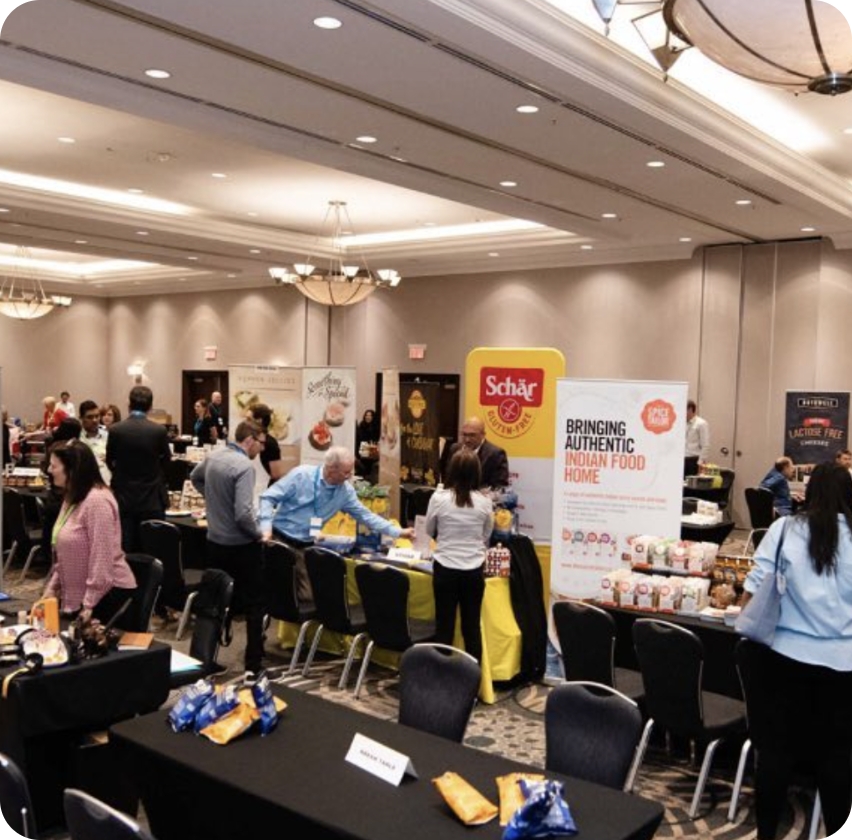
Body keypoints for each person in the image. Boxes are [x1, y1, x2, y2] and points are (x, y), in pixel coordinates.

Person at [741, 463, 852, 839]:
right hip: (843, 666)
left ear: (809, 492)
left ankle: (766, 834)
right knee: (836, 762)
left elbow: (754, 588)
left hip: (783, 660)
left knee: (774, 757)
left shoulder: (784, 529)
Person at [259, 446, 415, 599]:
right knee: (277, 590)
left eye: (351, 471)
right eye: (346, 472)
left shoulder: (345, 492)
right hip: (279, 539)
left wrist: (399, 532)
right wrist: (266, 528)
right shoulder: (302, 475)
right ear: (330, 469)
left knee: (307, 596)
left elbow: (366, 516)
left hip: (305, 546)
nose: (350, 476)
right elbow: (267, 497)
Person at [190, 420, 266, 677]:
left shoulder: (215, 456)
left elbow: (194, 477)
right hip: (241, 546)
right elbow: (243, 514)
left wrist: (213, 500)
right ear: (250, 440)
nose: (261, 449)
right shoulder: (244, 466)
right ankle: (254, 665)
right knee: (255, 605)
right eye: (261, 443)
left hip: (214, 542)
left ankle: (205, 658)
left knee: (213, 601)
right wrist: (259, 534)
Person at [42, 441, 136, 622]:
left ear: (72, 469)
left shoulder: (97, 501)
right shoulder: (73, 496)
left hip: (105, 597)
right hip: (82, 597)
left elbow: (101, 557)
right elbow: (64, 554)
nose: (49, 470)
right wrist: (53, 587)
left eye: (54, 466)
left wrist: (89, 603)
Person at [425, 448, 493, 662]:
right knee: (471, 627)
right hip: (473, 570)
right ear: (477, 473)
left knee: (443, 626)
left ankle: (441, 675)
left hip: (445, 567)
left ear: (451, 471)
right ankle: (473, 677)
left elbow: (428, 529)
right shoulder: (485, 502)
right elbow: (486, 535)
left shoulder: (439, 498)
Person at [106, 386, 171, 552]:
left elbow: (109, 460)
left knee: (125, 549)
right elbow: (167, 461)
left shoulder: (116, 430)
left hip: (124, 497)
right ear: (151, 406)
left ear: (129, 404)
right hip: (152, 498)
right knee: (152, 549)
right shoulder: (159, 430)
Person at [445, 416, 509, 489]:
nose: (467, 440)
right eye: (464, 434)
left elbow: (499, 486)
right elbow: (448, 478)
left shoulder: (496, 454)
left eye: (472, 435)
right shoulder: (455, 449)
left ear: (483, 435)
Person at [248, 403, 286, 485]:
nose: (245, 422)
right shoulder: (247, 439)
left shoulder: (270, 443)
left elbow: (276, 475)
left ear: (259, 420)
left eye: (249, 419)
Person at [78, 399, 110, 484]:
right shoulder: (77, 439)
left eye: (97, 416)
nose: (95, 420)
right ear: (81, 418)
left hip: (108, 483)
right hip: (85, 483)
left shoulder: (108, 436)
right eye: (90, 417)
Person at [684, 399, 710, 477]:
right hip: (682, 459)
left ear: (690, 409)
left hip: (693, 461)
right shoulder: (682, 423)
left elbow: (705, 445)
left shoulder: (701, 423)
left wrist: (700, 464)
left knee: (691, 484)